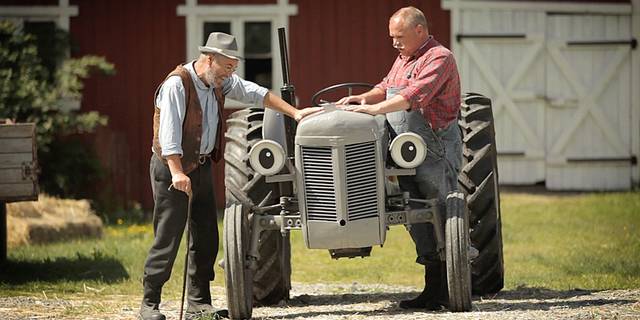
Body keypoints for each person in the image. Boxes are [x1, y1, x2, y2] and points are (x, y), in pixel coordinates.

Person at [141, 32, 319, 320]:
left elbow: (256, 93)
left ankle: (199, 302)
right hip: (172, 169)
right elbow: (168, 134)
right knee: (168, 237)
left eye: (234, 68)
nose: (231, 74)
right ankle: (149, 305)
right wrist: (176, 172)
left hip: (200, 167)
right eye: (227, 67)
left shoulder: (218, 81)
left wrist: (295, 113)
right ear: (209, 59)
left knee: (207, 237)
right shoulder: (177, 84)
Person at [337, 6, 462, 311]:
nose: (394, 42)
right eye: (391, 37)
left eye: (399, 36)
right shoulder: (406, 56)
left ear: (420, 31)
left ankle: (454, 285)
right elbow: (388, 85)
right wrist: (363, 98)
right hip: (406, 149)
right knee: (417, 214)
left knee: (441, 210)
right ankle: (433, 289)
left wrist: (372, 111)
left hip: (434, 147)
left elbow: (413, 96)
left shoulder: (439, 58)